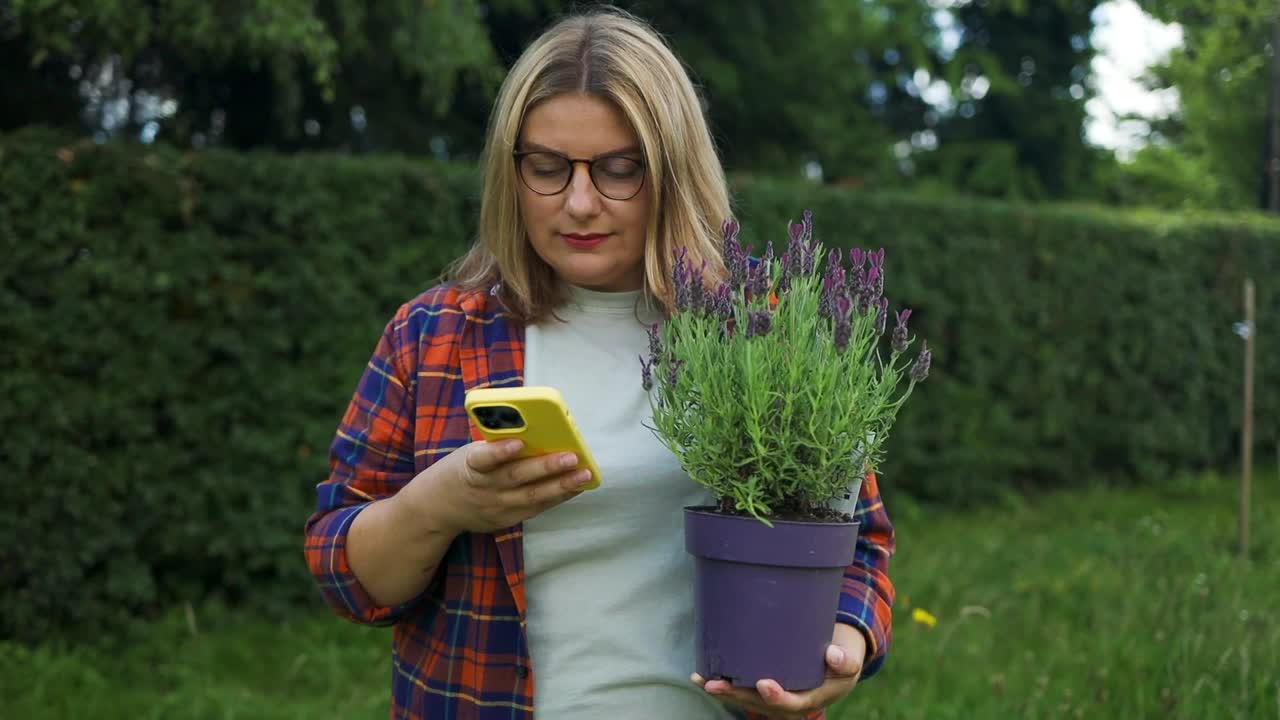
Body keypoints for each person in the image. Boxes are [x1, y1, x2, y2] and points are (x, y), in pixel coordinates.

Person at [303, 7, 895, 719]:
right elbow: (343, 571)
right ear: (510, 170)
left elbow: (857, 540)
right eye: (547, 169)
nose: (579, 203)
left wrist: (843, 647)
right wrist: (439, 506)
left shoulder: (762, 329)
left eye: (619, 170)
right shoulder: (434, 336)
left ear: (673, 171)